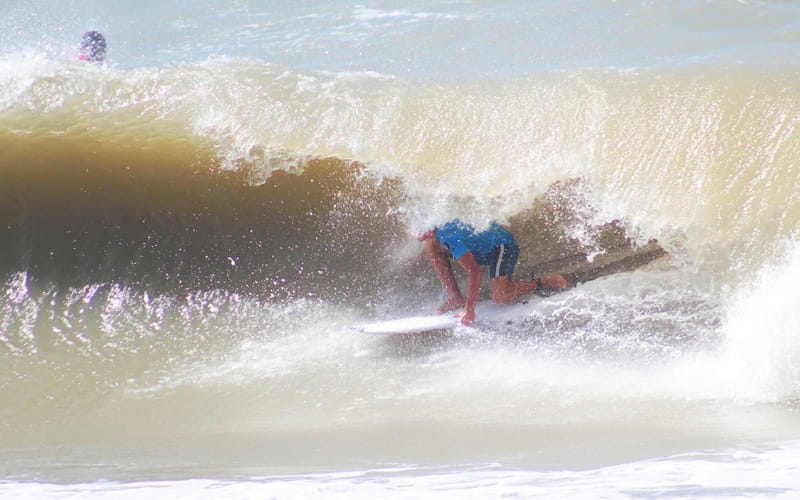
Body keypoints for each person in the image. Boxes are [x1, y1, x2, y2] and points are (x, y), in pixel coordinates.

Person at [418, 220, 568, 326]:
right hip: (480, 247)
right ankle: (455, 297)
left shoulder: (449, 235)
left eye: (419, 230)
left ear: (430, 227)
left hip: (501, 245)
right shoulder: (440, 223)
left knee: (502, 296)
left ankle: (548, 281)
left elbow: (475, 271)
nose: (416, 234)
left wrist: (469, 311)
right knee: (431, 245)